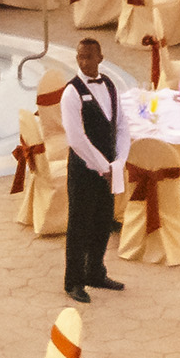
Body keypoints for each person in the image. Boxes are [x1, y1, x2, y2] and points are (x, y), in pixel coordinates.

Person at [59, 37, 129, 303]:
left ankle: (95, 272)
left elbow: (121, 126)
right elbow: (76, 139)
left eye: (90, 56)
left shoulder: (110, 85)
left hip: (109, 168)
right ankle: (73, 281)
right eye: (81, 57)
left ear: (100, 57)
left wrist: (119, 161)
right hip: (84, 169)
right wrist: (103, 166)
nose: (85, 61)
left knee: (103, 221)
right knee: (79, 225)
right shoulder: (71, 92)